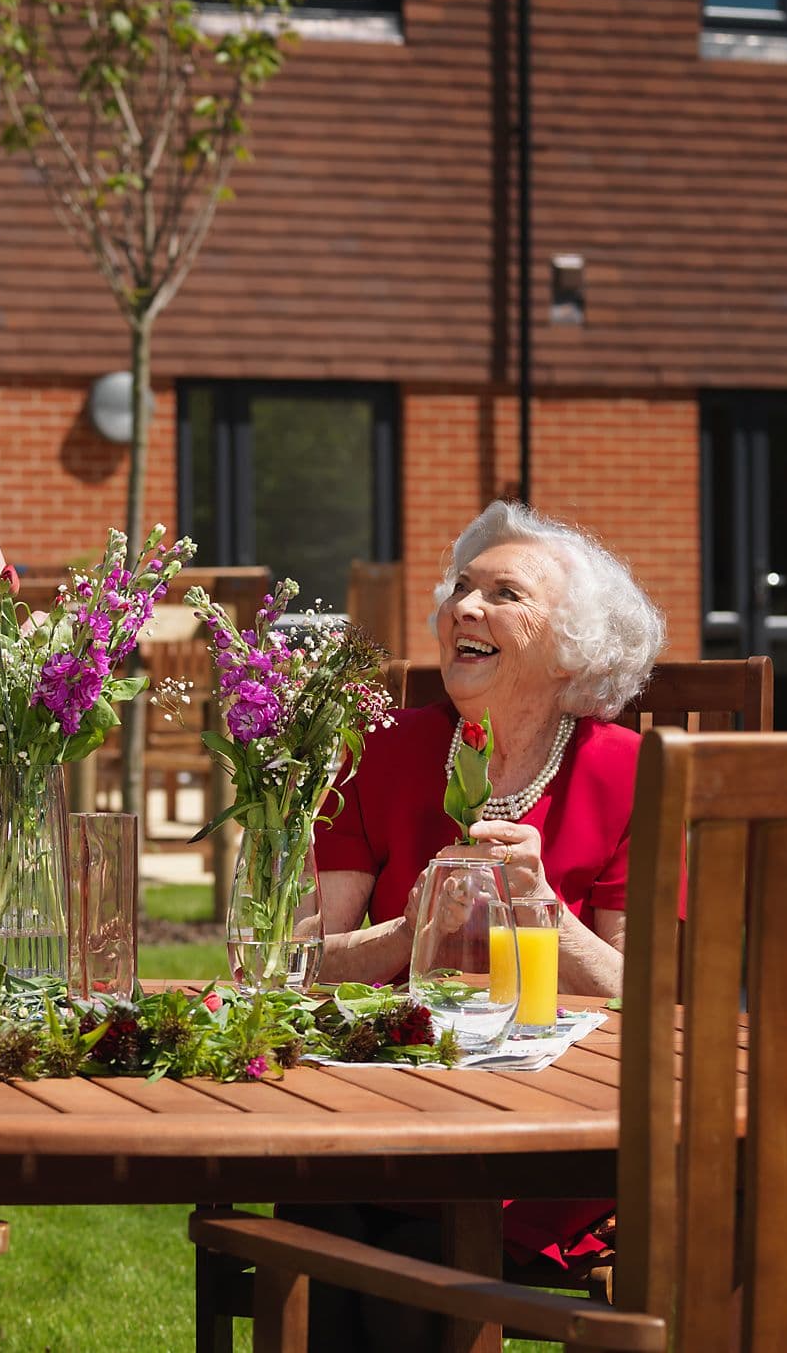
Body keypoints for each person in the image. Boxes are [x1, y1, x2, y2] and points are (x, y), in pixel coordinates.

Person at [297, 500, 667, 1348]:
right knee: (340, 1222)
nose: (465, 606)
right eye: (461, 588)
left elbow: (647, 995)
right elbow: (298, 964)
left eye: (504, 593)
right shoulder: (382, 751)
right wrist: (409, 929)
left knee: (386, 1261)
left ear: (572, 646)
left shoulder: (626, 774)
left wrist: (542, 910)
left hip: (545, 1139)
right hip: (375, 1110)